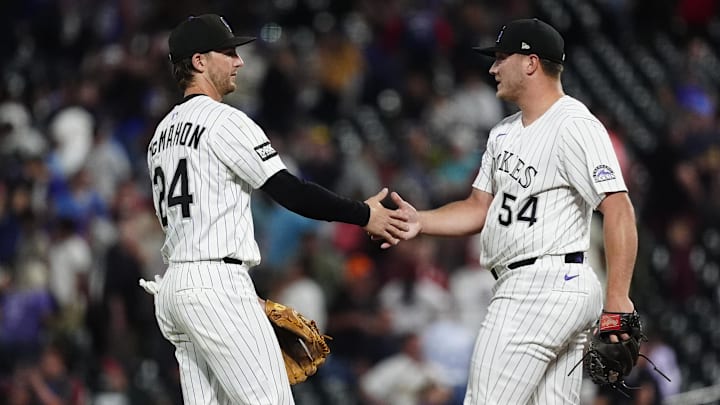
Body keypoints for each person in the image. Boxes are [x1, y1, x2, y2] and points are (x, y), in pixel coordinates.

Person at [143, 14, 408, 404]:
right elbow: (291, 192)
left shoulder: (160, 135)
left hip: (175, 289)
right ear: (199, 61)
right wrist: (364, 213)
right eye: (229, 52)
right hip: (216, 282)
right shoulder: (224, 121)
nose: (240, 62)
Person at [387, 18, 639, 404]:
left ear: (531, 63)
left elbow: (618, 207)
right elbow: (477, 208)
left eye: (501, 58)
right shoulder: (502, 132)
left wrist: (619, 296)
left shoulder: (574, 124)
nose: (492, 68)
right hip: (547, 288)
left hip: (538, 286)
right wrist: (421, 221)